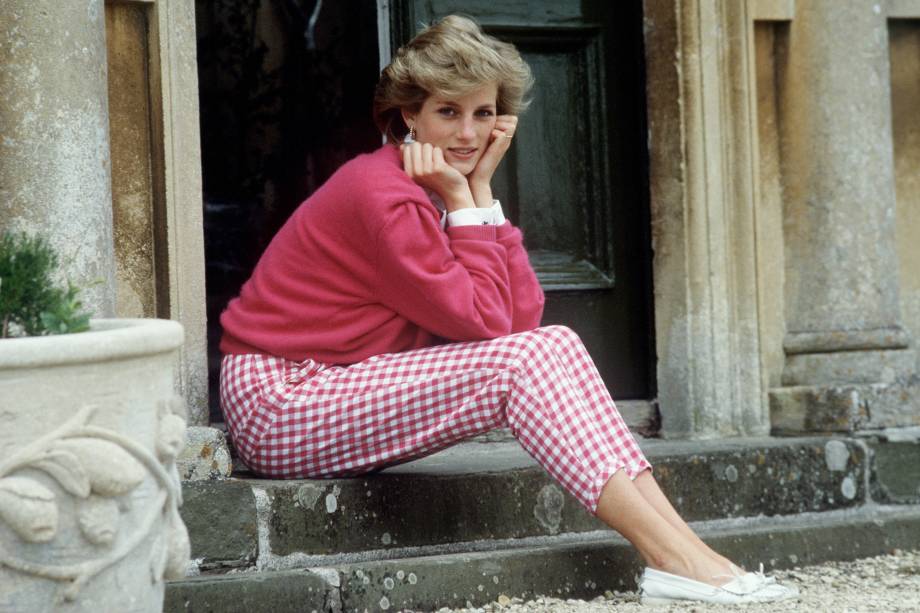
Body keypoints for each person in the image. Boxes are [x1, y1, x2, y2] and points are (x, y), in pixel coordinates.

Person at [218, 14, 797, 606]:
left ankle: (692, 555)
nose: (468, 134)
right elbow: (489, 327)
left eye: (484, 113)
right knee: (523, 361)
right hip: (281, 401)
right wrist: (462, 198)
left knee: (556, 343)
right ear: (408, 116)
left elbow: (522, 319)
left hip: (335, 386)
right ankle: (673, 558)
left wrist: (482, 193)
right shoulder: (383, 195)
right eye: (448, 112)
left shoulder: (442, 185)